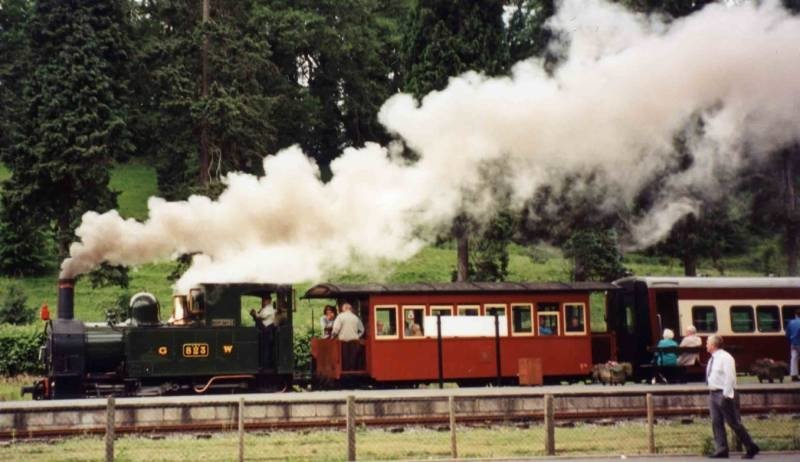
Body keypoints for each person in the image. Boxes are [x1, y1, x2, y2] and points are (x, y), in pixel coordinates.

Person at [706, 335, 760, 459]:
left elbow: (730, 377)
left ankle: (751, 446)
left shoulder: (726, 358)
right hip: (713, 393)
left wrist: (726, 394)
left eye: (708, 343)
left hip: (724, 393)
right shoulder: (712, 359)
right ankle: (721, 448)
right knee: (716, 421)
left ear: (714, 345)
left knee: (733, 422)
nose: (706, 345)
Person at [332, 303, 365, 370]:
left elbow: (336, 329)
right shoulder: (355, 318)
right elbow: (362, 330)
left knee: (344, 359)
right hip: (354, 341)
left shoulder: (340, 317)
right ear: (350, 309)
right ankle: (352, 373)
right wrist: (357, 336)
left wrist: (332, 336)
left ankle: (345, 374)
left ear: (344, 309)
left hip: (343, 342)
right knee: (353, 359)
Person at [249, 295, 277, 369]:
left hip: (267, 331)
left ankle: (265, 365)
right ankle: (262, 364)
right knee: (263, 348)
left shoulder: (269, 309)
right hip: (263, 331)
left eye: (264, 300)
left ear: (269, 301)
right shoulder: (264, 309)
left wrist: (255, 314)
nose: (263, 302)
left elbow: (261, 317)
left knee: (266, 349)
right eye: (262, 300)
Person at [787, 308, 800, 382]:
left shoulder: (791, 322)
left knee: (794, 359)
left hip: (793, 343)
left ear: (796, 315)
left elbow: (787, 334)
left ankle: (794, 375)